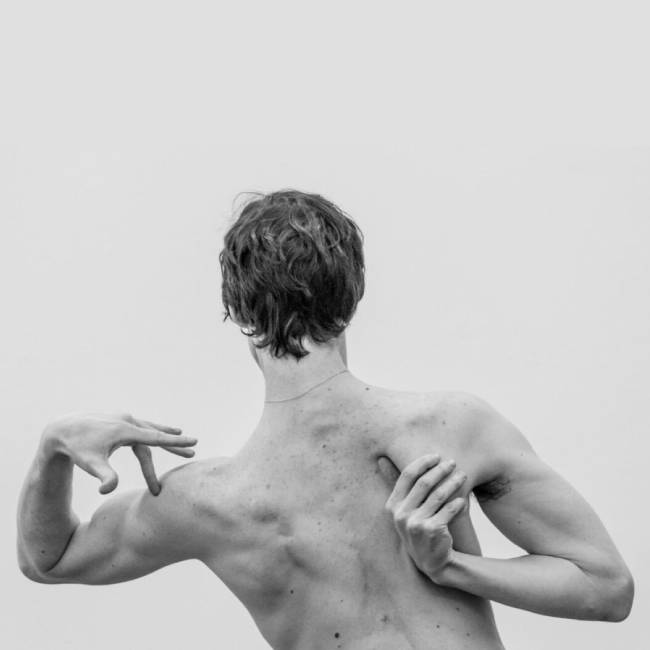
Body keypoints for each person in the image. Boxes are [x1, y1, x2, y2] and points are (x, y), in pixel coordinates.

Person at [17, 190, 634, 650]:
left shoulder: (205, 501)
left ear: (237, 312)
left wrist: (53, 449)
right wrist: (450, 570)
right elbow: (606, 588)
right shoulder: (452, 427)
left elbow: (49, 559)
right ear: (352, 297)